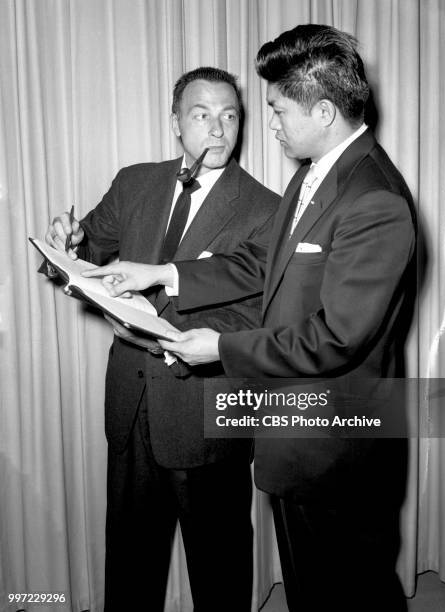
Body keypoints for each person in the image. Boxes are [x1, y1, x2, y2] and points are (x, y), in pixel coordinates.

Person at [85, 25, 417, 611]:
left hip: (338, 441)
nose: (268, 124)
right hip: (297, 433)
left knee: (351, 591)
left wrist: (222, 349)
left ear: (322, 110)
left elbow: (337, 336)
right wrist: (163, 275)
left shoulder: (374, 198)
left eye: (275, 109)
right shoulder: (320, 172)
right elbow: (261, 262)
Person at [45, 66, 279, 612]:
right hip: (131, 403)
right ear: (176, 122)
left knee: (219, 570)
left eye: (230, 116)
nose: (217, 130)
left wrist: (183, 330)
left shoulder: (268, 208)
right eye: (201, 116)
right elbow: (88, 253)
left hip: (207, 409)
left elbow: (258, 314)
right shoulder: (134, 182)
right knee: (130, 566)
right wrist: (67, 243)